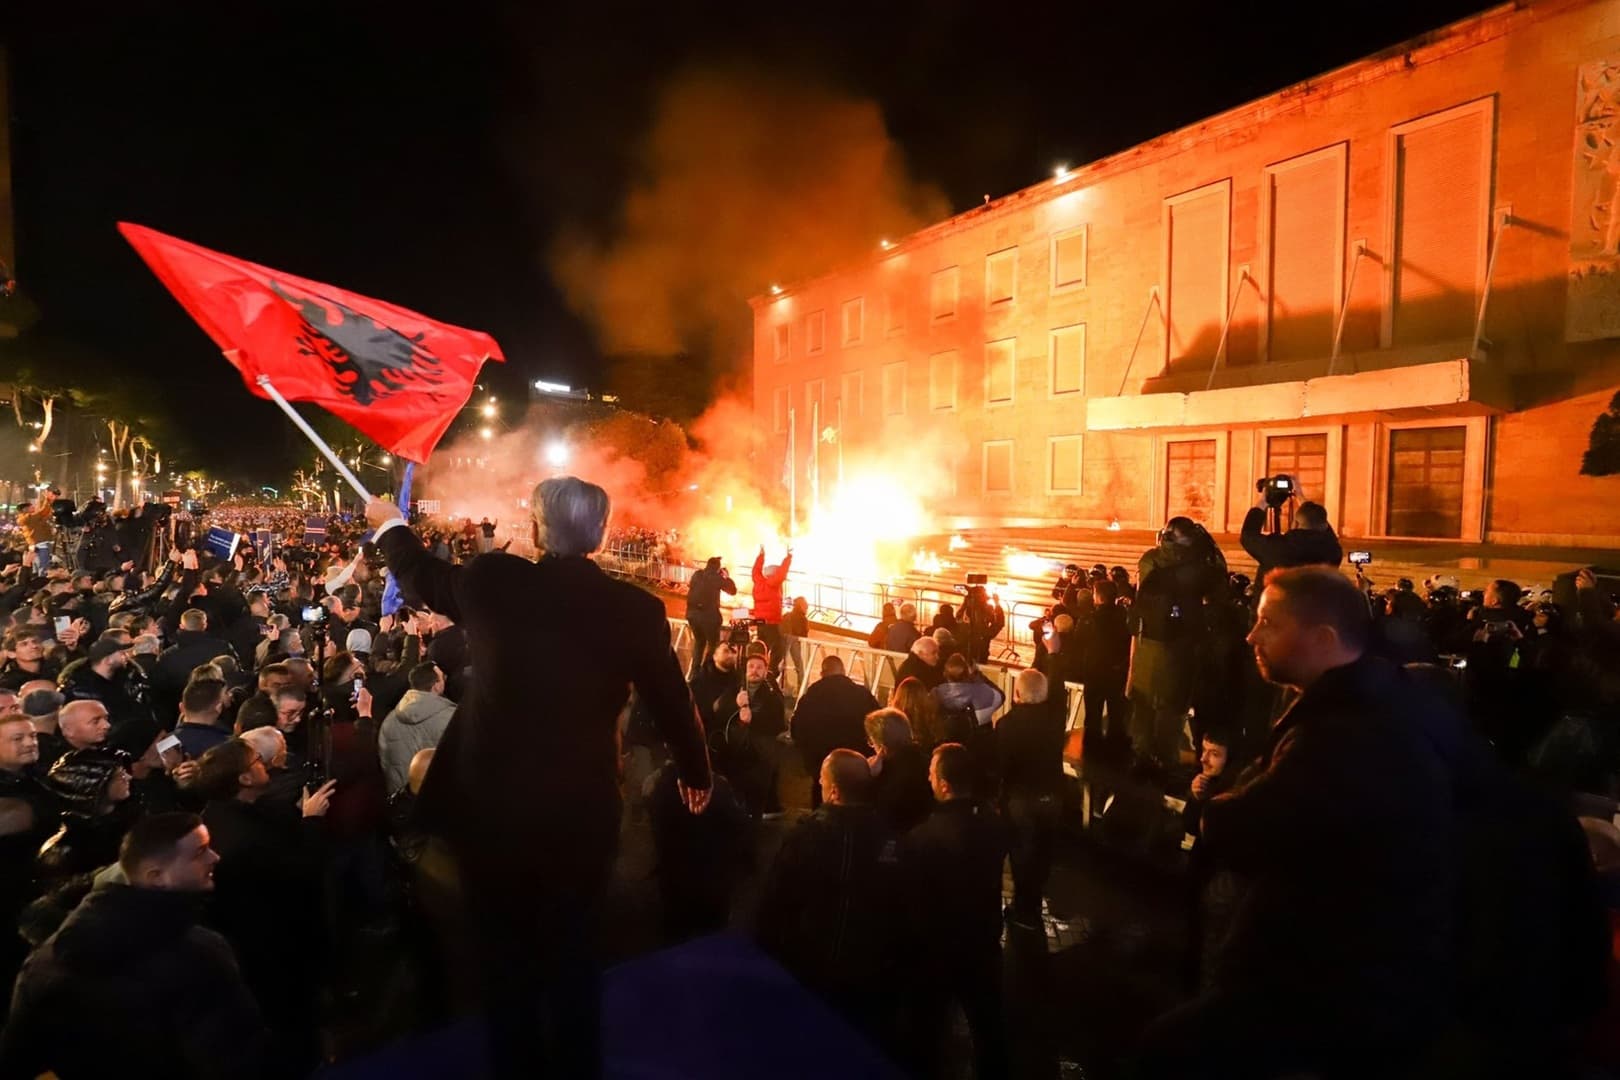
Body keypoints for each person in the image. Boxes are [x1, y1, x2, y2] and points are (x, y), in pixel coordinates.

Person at [367, 476, 712, 1078]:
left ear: (534, 527)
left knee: (503, 953)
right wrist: (695, 770)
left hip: (492, 806)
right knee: (575, 944)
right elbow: (671, 699)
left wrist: (390, 526)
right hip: (580, 807)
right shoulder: (635, 609)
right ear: (601, 533)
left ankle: (517, 1061)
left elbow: (423, 576)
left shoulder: (494, 582)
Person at [1140, 567, 1455, 1078]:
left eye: (1268, 623)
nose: (1252, 636)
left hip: (1327, 983)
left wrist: (1215, 802)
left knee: (1168, 1052)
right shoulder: (1369, 704)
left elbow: (1247, 828)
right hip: (1347, 974)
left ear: (1323, 638)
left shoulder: (1341, 732)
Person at [0, 812, 266, 1080]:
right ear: (156, 876)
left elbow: (18, 1055)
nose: (215, 857)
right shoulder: (198, 953)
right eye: (200, 853)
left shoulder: (44, 960)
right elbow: (235, 1057)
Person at [197, 736, 334, 1075]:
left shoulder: (220, 813)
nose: (265, 763)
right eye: (257, 760)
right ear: (244, 779)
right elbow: (300, 872)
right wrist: (313, 822)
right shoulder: (242, 838)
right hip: (275, 947)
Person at [756, 748, 904, 1052]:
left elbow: (775, 901)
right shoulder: (888, 838)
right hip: (869, 971)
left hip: (811, 965)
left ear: (834, 791)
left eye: (822, 780)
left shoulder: (807, 836)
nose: (819, 785)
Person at [902, 742, 1011, 1079]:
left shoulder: (923, 837)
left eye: (932, 774)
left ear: (945, 785)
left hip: (939, 949)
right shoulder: (993, 824)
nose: (928, 779)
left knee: (929, 1027)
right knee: (988, 1026)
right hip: (983, 942)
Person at [1127, 517, 1227, 774]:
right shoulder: (1198, 566)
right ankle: (1165, 761)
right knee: (1172, 707)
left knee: (1143, 706)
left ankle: (1141, 758)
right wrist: (1207, 543)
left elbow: (1140, 599)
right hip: (1182, 646)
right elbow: (1219, 582)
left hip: (1147, 643)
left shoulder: (1149, 559)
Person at [645, 761, 752, 942]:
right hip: (711, 881)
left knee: (675, 934)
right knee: (711, 936)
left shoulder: (655, 785)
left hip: (673, 880)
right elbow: (739, 825)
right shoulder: (718, 788)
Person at [995, 668, 1064, 931]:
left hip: (1021, 799)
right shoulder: (1055, 719)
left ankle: (1024, 909)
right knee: (1044, 850)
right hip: (1052, 796)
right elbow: (1059, 694)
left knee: (1022, 851)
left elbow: (1002, 766)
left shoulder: (1008, 725)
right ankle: (1033, 901)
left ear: (1017, 693)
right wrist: (1054, 657)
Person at [0, 711, 56, 1022]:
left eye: (32, 736)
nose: (29, 743)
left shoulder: (42, 774)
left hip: (40, 885)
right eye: (18, 738)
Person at [35, 746, 140, 890]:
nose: (128, 777)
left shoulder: (131, 818)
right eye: (119, 775)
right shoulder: (64, 849)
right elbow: (64, 894)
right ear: (94, 785)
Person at [791, 654, 879, 808]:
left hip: (821, 761)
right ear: (843, 671)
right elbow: (876, 722)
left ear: (822, 673)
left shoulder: (811, 695)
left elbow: (797, 727)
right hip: (856, 761)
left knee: (822, 803)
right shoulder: (862, 694)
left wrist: (807, 756)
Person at [58, 634, 157, 756]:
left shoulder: (130, 677)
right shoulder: (79, 688)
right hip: (104, 749)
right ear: (108, 660)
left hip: (134, 744)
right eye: (121, 654)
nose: (127, 656)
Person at [714, 652, 787, 818]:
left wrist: (754, 719)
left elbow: (777, 723)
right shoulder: (735, 689)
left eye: (759, 667)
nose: (755, 670)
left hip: (758, 752)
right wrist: (735, 704)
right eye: (751, 666)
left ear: (766, 671)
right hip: (734, 748)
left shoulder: (772, 695)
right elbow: (718, 710)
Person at [377, 661, 455, 795]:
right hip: (439, 798)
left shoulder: (389, 720)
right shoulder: (451, 717)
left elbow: (385, 762)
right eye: (443, 678)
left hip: (401, 798)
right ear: (436, 685)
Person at [152, 608, 235, 728]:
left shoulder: (167, 656)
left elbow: (159, 691)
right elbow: (233, 674)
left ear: (182, 626)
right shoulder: (222, 647)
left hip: (181, 717)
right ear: (204, 625)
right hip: (220, 716)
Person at [1081, 577, 1132, 761]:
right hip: (1117, 673)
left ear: (1100, 597)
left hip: (1095, 674)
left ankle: (1092, 753)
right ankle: (1115, 752)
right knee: (1116, 715)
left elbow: (1079, 641)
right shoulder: (1125, 618)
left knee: (1093, 716)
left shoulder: (1091, 619)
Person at [1239, 493, 1343, 583]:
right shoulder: (1333, 551)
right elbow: (1323, 527)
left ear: (1296, 523)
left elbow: (1248, 536)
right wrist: (1301, 497)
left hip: (1275, 600)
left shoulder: (1279, 547)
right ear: (1325, 525)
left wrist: (1263, 501)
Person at [866, 707, 933, 833]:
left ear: (882, 747)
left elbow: (879, 814)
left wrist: (870, 778)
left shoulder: (886, 774)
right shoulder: (929, 762)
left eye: (872, 742)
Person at [684, 556, 737, 674]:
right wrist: (726, 577)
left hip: (692, 615)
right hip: (708, 618)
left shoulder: (697, 575)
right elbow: (733, 591)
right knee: (713, 645)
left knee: (699, 642)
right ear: (718, 568)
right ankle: (705, 672)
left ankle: (694, 672)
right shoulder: (716, 578)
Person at [750, 545, 792, 679]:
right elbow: (782, 573)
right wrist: (788, 558)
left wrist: (761, 556)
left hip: (760, 621)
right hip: (771, 622)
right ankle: (771, 673)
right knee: (778, 647)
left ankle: (758, 669)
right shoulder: (772, 584)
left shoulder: (758, 582)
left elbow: (755, 571)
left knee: (762, 647)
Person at [173, 677, 233, 761]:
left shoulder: (164, 747)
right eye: (226, 692)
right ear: (218, 708)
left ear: (181, 707)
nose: (231, 695)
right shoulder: (227, 747)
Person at [782, 595, 810, 692]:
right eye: (805, 605)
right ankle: (802, 687)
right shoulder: (803, 619)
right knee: (799, 665)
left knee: (782, 664)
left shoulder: (787, 616)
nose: (807, 607)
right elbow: (804, 634)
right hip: (795, 641)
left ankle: (783, 684)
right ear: (801, 606)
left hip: (783, 640)